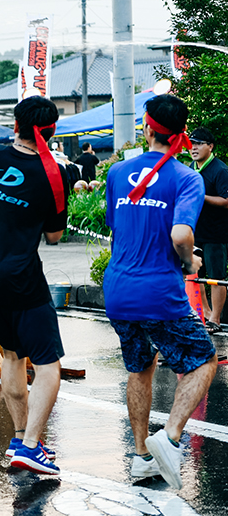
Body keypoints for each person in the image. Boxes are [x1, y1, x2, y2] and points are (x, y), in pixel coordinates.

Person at [104, 94, 217, 488]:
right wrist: (190, 262)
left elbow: (117, 228)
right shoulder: (188, 178)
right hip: (159, 293)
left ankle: (141, 457)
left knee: (140, 368)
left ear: (147, 129)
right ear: (181, 135)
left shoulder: (117, 172)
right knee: (203, 360)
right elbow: (181, 233)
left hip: (118, 289)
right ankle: (169, 438)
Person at [0, 95, 69, 475]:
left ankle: (23, 437)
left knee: (12, 355)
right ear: (52, 130)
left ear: (15, 125)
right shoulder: (54, 175)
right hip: (20, 277)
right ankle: (29, 447)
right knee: (48, 364)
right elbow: (55, 235)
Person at [188, 127, 228, 334]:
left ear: (210, 147)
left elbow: (227, 200)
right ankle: (203, 313)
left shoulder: (220, 170)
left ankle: (216, 319)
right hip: (194, 232)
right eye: (191, 144)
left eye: (198, 144)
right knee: (195, 275)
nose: (193, 148)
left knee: (216, 277)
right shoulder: (190, 168)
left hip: (216, 233)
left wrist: (201, 196)